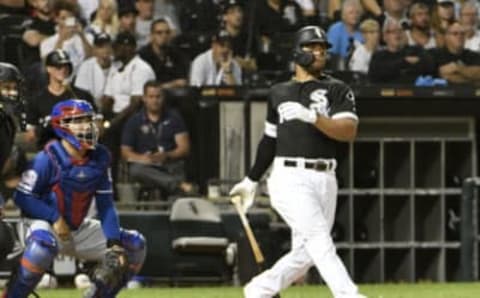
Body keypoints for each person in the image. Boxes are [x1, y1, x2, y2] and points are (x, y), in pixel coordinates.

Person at [229, 25, 366, 298]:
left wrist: (313, 117)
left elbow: (348, 132)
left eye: (323, 48)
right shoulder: (279, 92)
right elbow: (269, 141)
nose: (319, 53)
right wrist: (251, 179)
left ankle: (259, 290)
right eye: (312, 47)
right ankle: (348, 294)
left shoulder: (338, 89)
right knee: (319, 240)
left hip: (326, 177)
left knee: (307, 252)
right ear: (297, 52)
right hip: (288, 177)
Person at [3, 99, 146, 298]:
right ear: (61, 126)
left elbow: (106, 206)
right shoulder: (47, 158)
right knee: (41, 248)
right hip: (43, 225)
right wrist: (54, 217)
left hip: (76, 228)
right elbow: (23, 197)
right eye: (79, 120)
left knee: (134, 246)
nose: (87, 125)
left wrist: (113, 243)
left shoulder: (100, 158)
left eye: (89, 119)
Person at [121, 80, 195, 199]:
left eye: (158, 97)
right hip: (147, 167)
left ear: (163, 98)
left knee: (177, 170)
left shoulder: (174, 117)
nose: (155, 100)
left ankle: (175, 186)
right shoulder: (134, 121)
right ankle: (178, 185)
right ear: (144, 98)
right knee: (136, 170)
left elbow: (184, 148)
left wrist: (167, 155)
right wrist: (143, 159)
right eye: (151, 97)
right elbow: (125, 152)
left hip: (170, 163)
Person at [24, 49, 96, 149]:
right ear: (48, 68)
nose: (63, 70)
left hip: (77, 152)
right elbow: (29, 137)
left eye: (66, 66)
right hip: (49, 152)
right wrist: (45, 127)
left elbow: (98, 127)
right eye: (58, 66)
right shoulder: (37, 99)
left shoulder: (81, 96)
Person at [0, 63, 26, 263]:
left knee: (4, 240)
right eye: (6, 87)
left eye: (14, 87)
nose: (12, 93)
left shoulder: (7, 122)